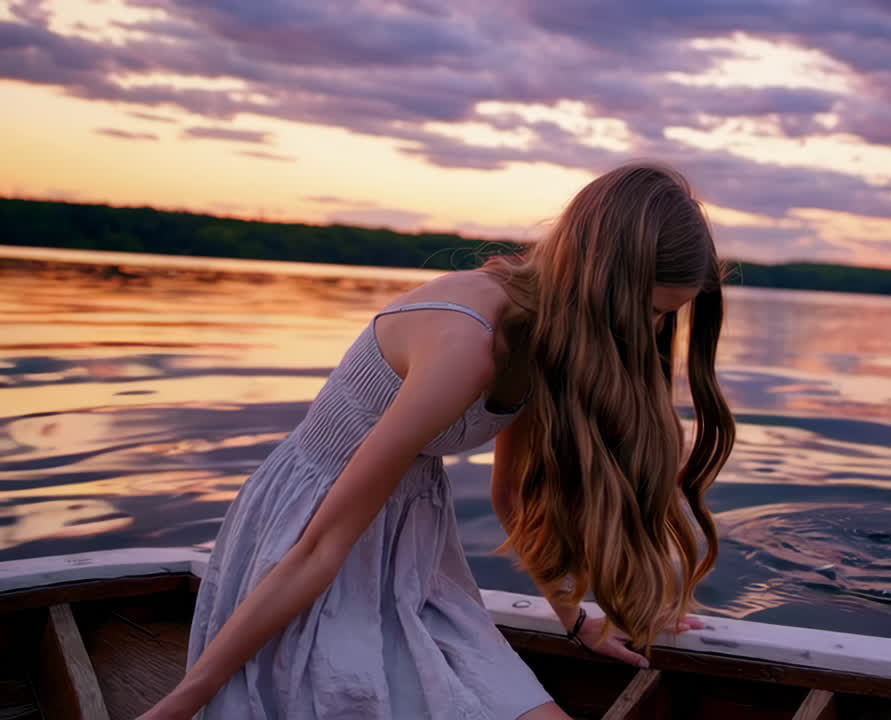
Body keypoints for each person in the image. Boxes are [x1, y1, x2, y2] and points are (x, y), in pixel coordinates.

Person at [140, 162, 737, 719]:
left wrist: (574, 619)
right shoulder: (465, 347)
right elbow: (321, 546)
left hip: (416, 553)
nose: (657, 331)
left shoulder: (542, 332)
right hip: (308, 539)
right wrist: (186, 698)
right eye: (654, 311)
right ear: (605, 281)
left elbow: (510, 500)